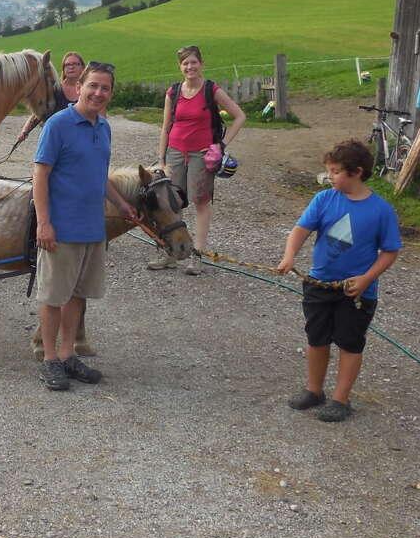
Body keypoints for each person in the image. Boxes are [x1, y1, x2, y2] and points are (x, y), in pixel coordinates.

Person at [32, 61, 141, 391]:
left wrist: (123, 205)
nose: (98, 92)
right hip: (61, 228)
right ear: (79, 86)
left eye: (105, 88)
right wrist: (44, 223)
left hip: (93, 228)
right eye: (92, 85)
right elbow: (40, 174)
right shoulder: (58, 125)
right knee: (53, 296)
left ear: (110, 93)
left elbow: (100, 175)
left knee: (78, 296)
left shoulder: (103, 127)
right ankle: (49, 359)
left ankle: (68, 355)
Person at [276, 139, 401, 422]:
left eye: (335, 171)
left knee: (349, 343)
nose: (329, 176)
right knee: (316, 339)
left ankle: (340, 399)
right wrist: (289, 256)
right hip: (319, 284)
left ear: (356, 172)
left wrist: (367, 278)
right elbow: (300, 230)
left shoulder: (381, 210)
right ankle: (314, 390)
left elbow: (390, 251)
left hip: (356, 293)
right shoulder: (323, 199)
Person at [154, 45, 246, 274]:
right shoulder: (173, 92)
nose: (189, 67)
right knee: (173, 203)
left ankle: (197, 256)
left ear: (201, 64)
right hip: (175, 152)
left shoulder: (211, 90)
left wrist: (221, 145)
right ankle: (172, 253)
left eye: (193, 62)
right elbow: (166, 127)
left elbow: (239, 116)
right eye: (185, 63)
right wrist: (161, 159)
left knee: (200, 202)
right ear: (180, 67)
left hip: (201, 155)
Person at [17, 51, 85, 143]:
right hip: (53, 137)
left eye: (75, 64)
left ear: (82, 68)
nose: (71, 67)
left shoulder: (88, 91)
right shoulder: (55, 88)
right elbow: (40, 111)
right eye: (67, 64)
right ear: (63, 69)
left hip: (79, 138)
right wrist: (25, 131)